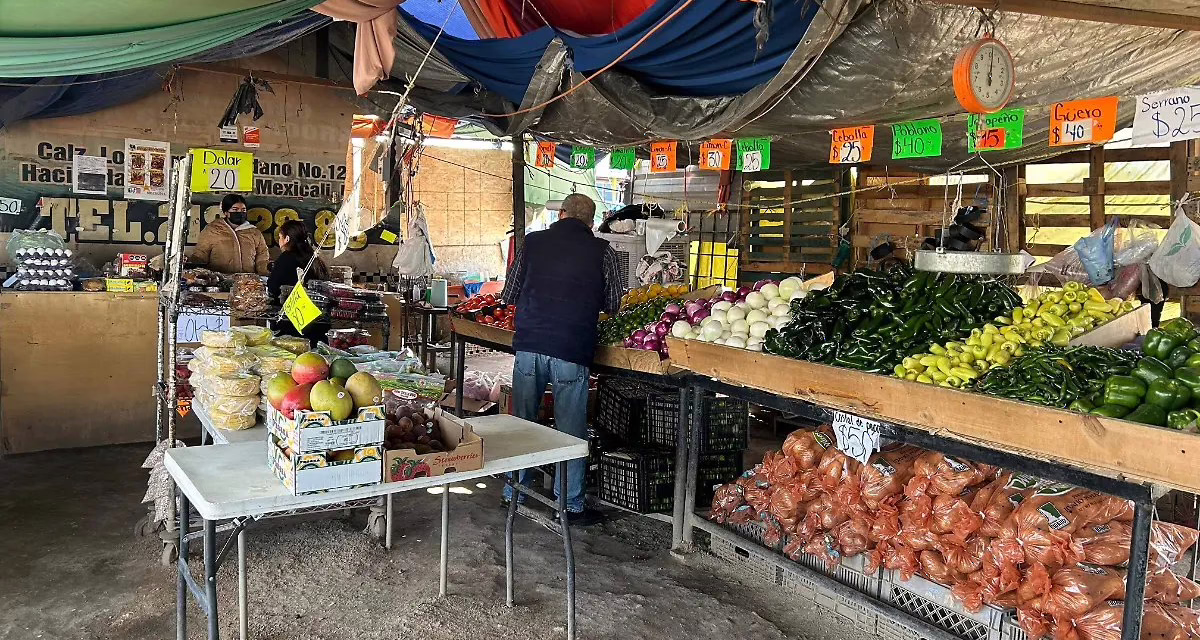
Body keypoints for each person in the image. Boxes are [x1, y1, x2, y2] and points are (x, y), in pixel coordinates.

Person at [501, 193, 622, 527]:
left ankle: (514, 492)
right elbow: (614, 304)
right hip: (571, 348)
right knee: (570, 431)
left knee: (522, 421)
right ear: (591, 222)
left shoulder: (532, 243)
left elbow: (508, 295)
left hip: (530, 345)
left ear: (563, 214)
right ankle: (568, 505)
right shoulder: (604, 252)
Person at [268, 219, 332, 347]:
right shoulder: (315, 259)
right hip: (319, 323)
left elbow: (272, 288)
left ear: (286, 239)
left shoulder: (286, 258)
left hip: (293, 324)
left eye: (280, 237)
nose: (279, 241)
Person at [190, 194, 269, 275]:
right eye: (235, 209)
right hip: (220, 282)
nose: (240, 213)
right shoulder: (212, 230)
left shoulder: (254, 232)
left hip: (246, 283)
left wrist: (264, 275)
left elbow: (262, 257)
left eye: (243, 210)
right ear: (226, 212)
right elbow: (200, 255)